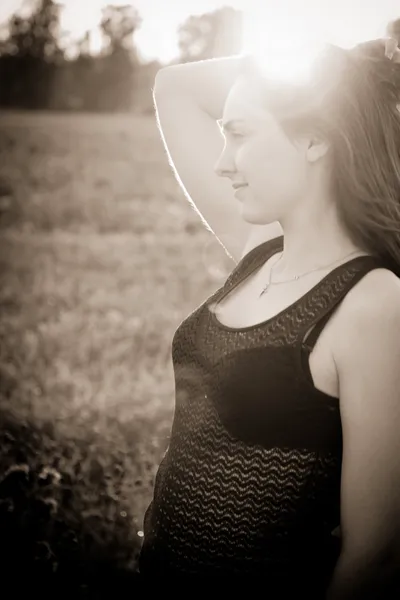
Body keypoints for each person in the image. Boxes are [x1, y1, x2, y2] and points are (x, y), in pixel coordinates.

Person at [138, 20, 400, 598]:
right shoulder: (260, 254)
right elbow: (174, 87)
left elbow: (375, 557)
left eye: (240, 133)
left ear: (315, 137)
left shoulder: (374, 304)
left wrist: (339, 85)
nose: (221, 161)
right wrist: (346, 67)